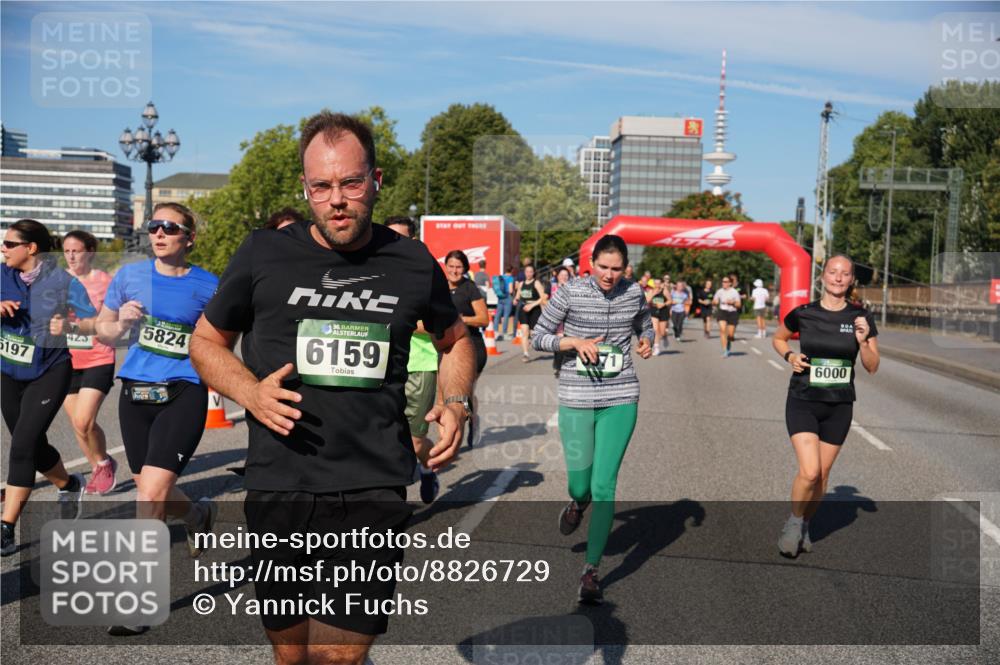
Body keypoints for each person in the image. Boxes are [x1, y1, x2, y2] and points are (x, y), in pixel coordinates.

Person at [189, 110, 474, 663]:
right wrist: (248, 392)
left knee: (336, 657)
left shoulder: (412, 261)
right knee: (292, 657)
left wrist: (455, 401)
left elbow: (457, 340)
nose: (336, 199)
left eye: (350, 182)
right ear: (305, 187)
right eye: (321, 186)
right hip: (281, 481)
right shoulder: (262, 252)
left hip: (371, 482)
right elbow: (205, 341)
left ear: (376, 181)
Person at [94, 202, 219, 635]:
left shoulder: (208, 286)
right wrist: (119, 323)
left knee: (149, 494)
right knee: (156, 488)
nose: (160, 232)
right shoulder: (128, 276)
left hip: (183, 392)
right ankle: (197, 515)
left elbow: (219, 341)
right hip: (135, 393)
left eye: (171, 227)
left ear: (189, 238)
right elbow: (103, 329)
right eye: (154, 226)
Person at [531, 234, 654, 604]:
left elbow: (644, 323)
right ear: (592, 264)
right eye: (603, 267)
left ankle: (590, 571)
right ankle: (575, 503)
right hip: (576, 397)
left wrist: (646, 340)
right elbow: (539, 337)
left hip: (621, 396)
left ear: (625, 268)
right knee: (581, 487)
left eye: (617, 269)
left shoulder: (634, 293)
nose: (610, 275)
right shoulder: (569, 292)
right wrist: (572, 343)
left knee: (604, 486)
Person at [772, 255, 879, 558]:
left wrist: (862, 341)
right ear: (822, 277)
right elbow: (779, 338)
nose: (838, 277)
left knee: (822, 475)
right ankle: (793, 524)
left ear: (851, 280)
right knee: (809, 471)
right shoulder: (805, 313)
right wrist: (790, 357)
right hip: (803, 400)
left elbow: (872, 366)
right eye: (832, 272)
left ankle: (806, 523)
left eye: (845, 273)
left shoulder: (861, 317)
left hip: (839, 405)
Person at [1, 219, 97, 556]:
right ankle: (69, 484)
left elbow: (91, 325)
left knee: (23, 445)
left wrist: (69, 323)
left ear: (31, 248)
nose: (3, 248)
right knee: (31, 444)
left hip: (49, 371)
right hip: (9, 372)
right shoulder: (2, 274)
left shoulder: (62, 282)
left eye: (10, 244)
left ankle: (6, 527)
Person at [386, 217, 440, 503]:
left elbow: (436, 324)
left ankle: (428, 469)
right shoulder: (373, 271)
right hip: (380, 366)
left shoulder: (425, 275)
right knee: (382, 436)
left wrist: (400, 321)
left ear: (414, 241)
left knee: (415, 440)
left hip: (419, 366)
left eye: (401, 238)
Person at [61, 230, 118, 495]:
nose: (71, 255)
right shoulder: (55, 282)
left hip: (98, 357)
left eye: (77, 250)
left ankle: (103, 463)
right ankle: (98, 465)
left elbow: (109, 321)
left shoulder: (106, 282)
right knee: (78, 424)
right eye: (66, 250)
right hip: (65, 360)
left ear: (91, 252)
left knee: (84, 420)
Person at [444, 249, 490, 446]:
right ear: (445, 266)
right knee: (447, 394)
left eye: (459, 267)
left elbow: (484, 319)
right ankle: (452, 431)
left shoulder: (469, 288)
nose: (455, 271)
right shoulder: (438, 286)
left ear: (465, 269)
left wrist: (461, 320)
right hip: (447, 348)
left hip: (472, 347)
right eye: (451, 266)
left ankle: (472, 421)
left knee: (465, 392)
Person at [513, 264, 549, 362]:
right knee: (524, 331)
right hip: (524, 309)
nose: (528, 273)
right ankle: (525, 354)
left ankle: (530, 340)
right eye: (527, 271)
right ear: (524, 272)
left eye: (530, 272)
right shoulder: (521, 284)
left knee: (533, 334)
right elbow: (518, 296)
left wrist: (532, 305)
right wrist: (515, 300)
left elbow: (543, 297)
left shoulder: (536, 283)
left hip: (535, 310)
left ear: (533, 273)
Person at [712, 276, 742, 357]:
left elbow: (739, 305)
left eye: (726, 281)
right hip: (722, 312)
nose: (724, 283)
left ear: (730, 283)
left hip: (733, 313)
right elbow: (714, 301)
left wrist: (732, 303)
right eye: (723, 281)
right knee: (722, 330)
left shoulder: (734, 292)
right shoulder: (719, 291)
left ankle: (729, 340)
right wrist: (715, 302)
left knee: (730, 335)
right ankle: (725, 350)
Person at [492, 265, 515, 340]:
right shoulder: (510, 278)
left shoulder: (501, 277)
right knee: (506, 316)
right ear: (511, 271)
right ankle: (504, 332)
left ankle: (495, 331)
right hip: (507, 297)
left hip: (500, 297)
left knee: (498, 315)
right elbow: (511, 290)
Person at [647, 279, 668, 355]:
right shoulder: (651, 291)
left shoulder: (664, 291)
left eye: (658, 283)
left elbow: (670, 300)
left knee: (662, 332)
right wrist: (653, 294)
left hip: (663, 312)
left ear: (661, 284)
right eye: (655, 283)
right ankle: (656, 348)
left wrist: (663, 304)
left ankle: (665, 337)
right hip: (653, 311)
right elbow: (647, 301)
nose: (657, 285)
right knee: (655, 330)